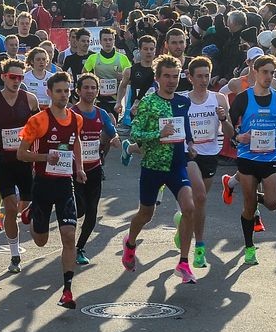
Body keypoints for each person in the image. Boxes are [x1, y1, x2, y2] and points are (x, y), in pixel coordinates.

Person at [120, 55, 198, 284]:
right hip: (153, 166)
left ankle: (184, 263)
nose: (172, 81)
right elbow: (135, 134)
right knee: (146, 214)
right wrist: (158, 135)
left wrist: (191, 144)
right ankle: (130, 242)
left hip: (177, 165)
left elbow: (185, 128)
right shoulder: (149, 102)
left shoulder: (183, 102)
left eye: (175, 76)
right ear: (157, 78)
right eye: (167, 76)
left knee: (189, 207)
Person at [16, 71, 85, 309]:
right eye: (59, 91)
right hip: (43, 184)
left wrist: (79, 168)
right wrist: (46, 156)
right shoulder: (39, 120)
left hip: (65, 184)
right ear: (49, 92)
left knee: (68, 236)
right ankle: (32, 212)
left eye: (67, 91)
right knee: (42, 242)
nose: (64, 95)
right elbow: (21, 154)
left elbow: (75, 143)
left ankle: (67, 290)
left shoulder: (76, 119)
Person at [228, 55, 276, 265]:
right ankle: (249, 247)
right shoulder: (244, 98)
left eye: (272, 73)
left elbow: (275, 124)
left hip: (270, 156)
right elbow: (229, 122)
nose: (269, 76)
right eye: (265, 72)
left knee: (273, 203)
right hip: (247, 156)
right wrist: (237, 137)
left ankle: (236, 187)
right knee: (249, 206)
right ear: (255, 71)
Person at [0, 58, 39, 273]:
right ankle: (15, 255)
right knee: (9, 208)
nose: (16, 81)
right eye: (12, 77)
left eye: (20, 78)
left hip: (25, 162)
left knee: (24, 209)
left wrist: (36, 154)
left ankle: (27, 211)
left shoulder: (30, 99)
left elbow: (38, 129)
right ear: (3, 77)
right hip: (4, 162)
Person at [183, 56, 234, 269]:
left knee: (199, 203)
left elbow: (231, 134)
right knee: (200, 196)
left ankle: (183, 226)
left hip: (210, 154)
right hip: (189, 154)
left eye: (207, 76)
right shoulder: (183, 100)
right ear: (190, 77)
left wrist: (223, 119)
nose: (204, 80)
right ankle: (200, 247)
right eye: (199, 76)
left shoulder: (219, 100)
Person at [71, 74, 120, 265]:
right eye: (86, 88)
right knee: (80, 209)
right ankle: (67, 233)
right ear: (78, 90)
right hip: (74, 171)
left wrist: (115, 138)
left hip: (94, 168)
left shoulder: (101, 114)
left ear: (97, 91)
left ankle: (79, 247)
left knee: (91, 211)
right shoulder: (72, 113)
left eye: (93, 88)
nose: (90, 91)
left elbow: (110, 129)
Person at [84, 27, 130, 118]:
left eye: (110, 39)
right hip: (99, 99)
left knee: (113, 124)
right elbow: (83, 76)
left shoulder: (122, 58)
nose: (108, 42)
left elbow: (131, 79)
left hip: (116, 99)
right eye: (105, 40)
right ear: (100, 42)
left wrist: (124, 77)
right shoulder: (93, 58)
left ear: (114, 41)